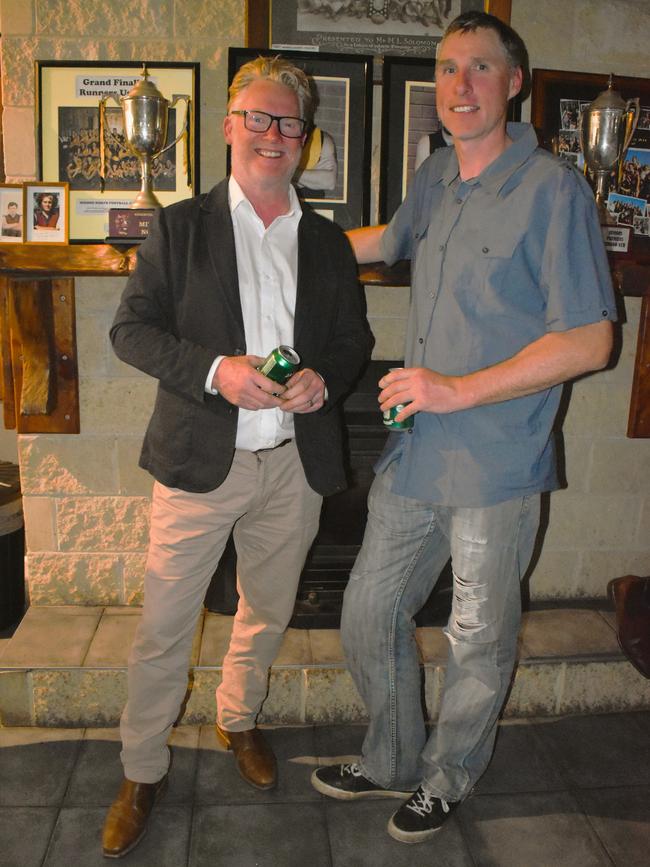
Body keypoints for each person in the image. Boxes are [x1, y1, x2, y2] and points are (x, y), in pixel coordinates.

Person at [311, 10, 615, 845]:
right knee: (370, 610)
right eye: (448, 69)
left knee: (478, 637)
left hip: (499, 462)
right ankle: (391, 756)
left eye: (480, 68)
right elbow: (381, 242)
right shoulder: (436, 175)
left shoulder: (554, 190)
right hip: (415, 452)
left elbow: (591, 339)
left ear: (514, 83)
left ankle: (448, 777)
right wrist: (281, 238)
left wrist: (457, 389)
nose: (460, 85)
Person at [102, 54, 373, 859]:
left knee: (266, 610)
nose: (272, 134)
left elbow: (354, 340)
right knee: (163, 627)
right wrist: (218, 371)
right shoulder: (180, 227)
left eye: (288, 122)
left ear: (305, 139)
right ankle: (141, 767)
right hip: (197, 462)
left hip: (295, 463)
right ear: (228, 128)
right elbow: (131, 330)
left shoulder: (327, 243)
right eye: (257, 117)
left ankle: (237, 718)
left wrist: (327, 379)